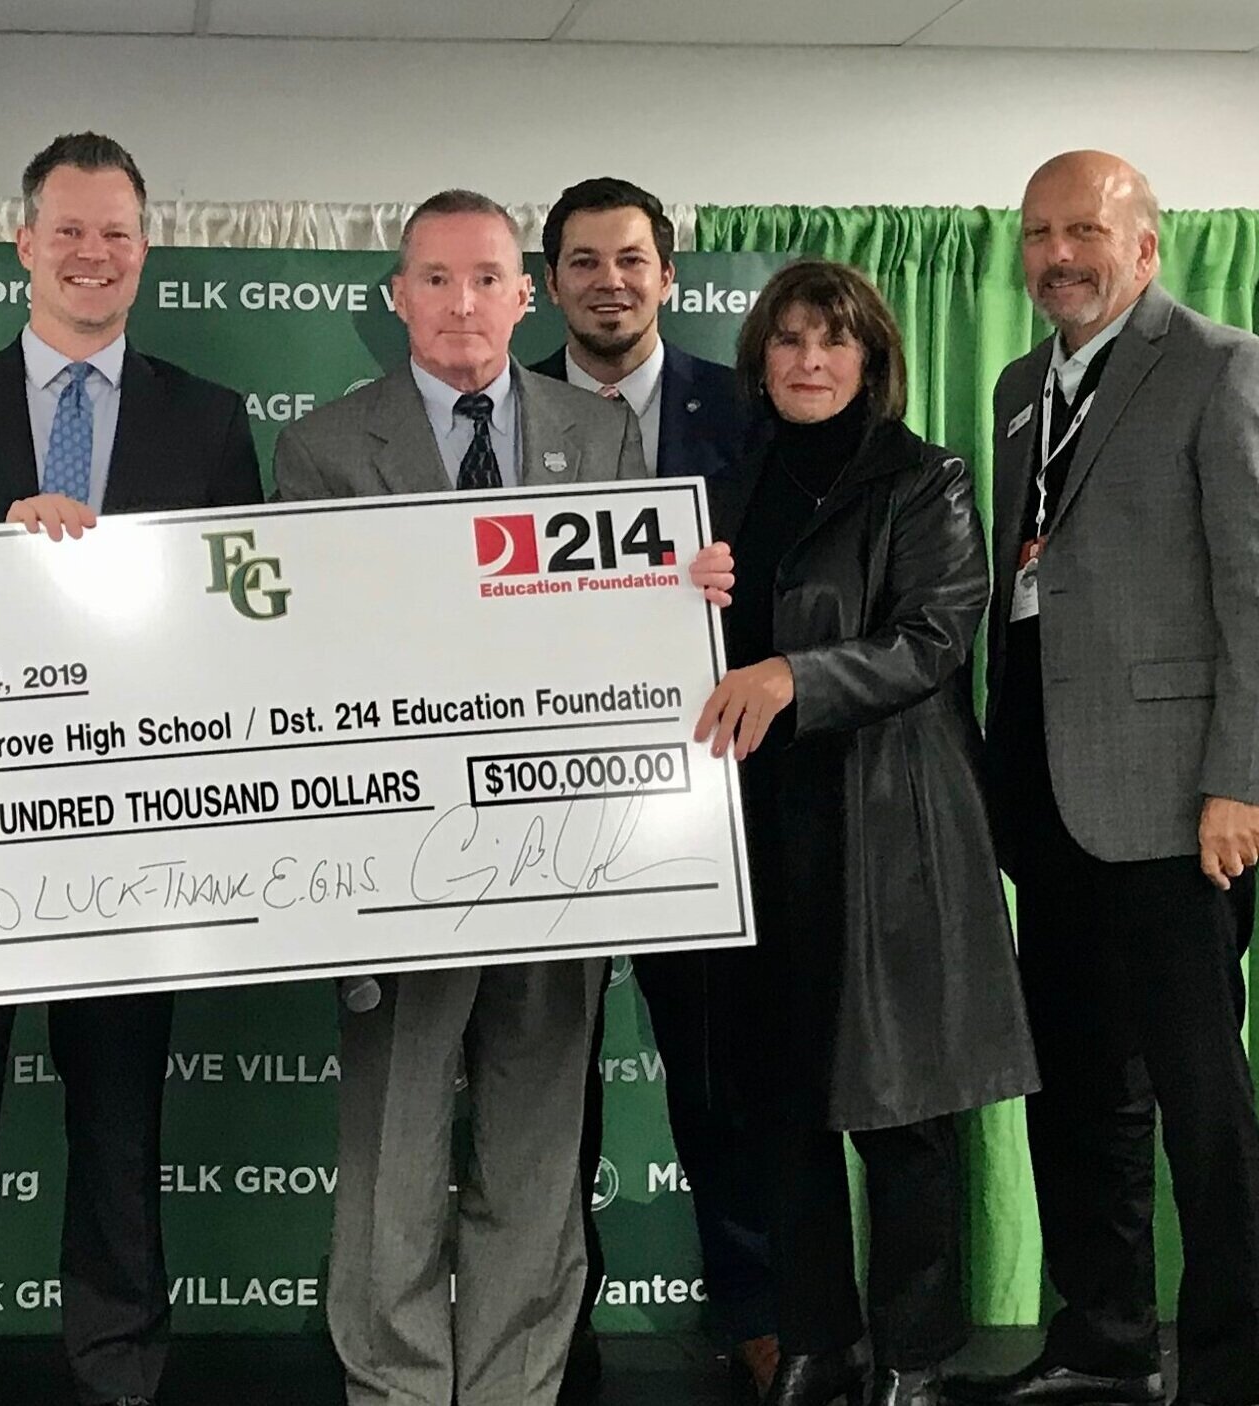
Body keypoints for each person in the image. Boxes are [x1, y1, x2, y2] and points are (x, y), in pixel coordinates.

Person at [0, 132, 261, 1406]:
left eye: (117, 233)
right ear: (23, 243)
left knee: (120, 1112)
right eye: (70, 230)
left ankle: (118, 1359)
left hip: (135, 827)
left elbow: (246, 628)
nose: (94, 254)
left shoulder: (210, 419)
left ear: (147, 249)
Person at [273, 188, 647, 1406]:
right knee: (394, 1149)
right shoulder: (326, 447)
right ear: (398, 297)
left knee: (535, 1149)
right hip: (399, 861)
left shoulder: (599, 438)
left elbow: (627, 633)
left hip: (556, 854)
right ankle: (395, 1385)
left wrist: (682, 590)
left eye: (486, 277)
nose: (461, 302)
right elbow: (301, 663)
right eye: (434, 278)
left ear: (524, 295)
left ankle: (510, 1386)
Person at [949, 150, 1259, 1406]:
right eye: (1038, 233)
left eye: (1083, 229)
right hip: (1046, 796)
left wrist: (1247, 779)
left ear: (1145, 245)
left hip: (1181, 803)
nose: (1056, 255)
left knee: (1199, 1094)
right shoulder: (1020, 385)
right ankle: (1103, 1335)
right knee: (1079, 1086)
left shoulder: (1223, 367)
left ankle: (1236, 1363)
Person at [696, 259, 1039, 1406]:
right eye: (789, 340)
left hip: (891, 829)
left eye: (832, 341)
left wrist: (795, 674)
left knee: (902, 1113)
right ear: (761, 358)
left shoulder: (925, 478)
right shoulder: (724, 489)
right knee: (783, 1108)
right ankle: (816, 1339)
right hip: (758, 830)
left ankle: (913, 1353)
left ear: (871, 358)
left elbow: (933, 638)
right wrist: (674, 591)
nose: (809, 361)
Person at [529, 175, 773, 1402]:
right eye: (583, 261)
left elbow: (791, 587)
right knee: (540, 1089)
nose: (609, 282)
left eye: (631, 258)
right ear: (549, 283)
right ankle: (547, 1324)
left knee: (723, 1075)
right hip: (539, 806)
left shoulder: (747, 408)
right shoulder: (498, 409)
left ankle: (758, 1310)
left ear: (669, 275)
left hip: (704, 797)